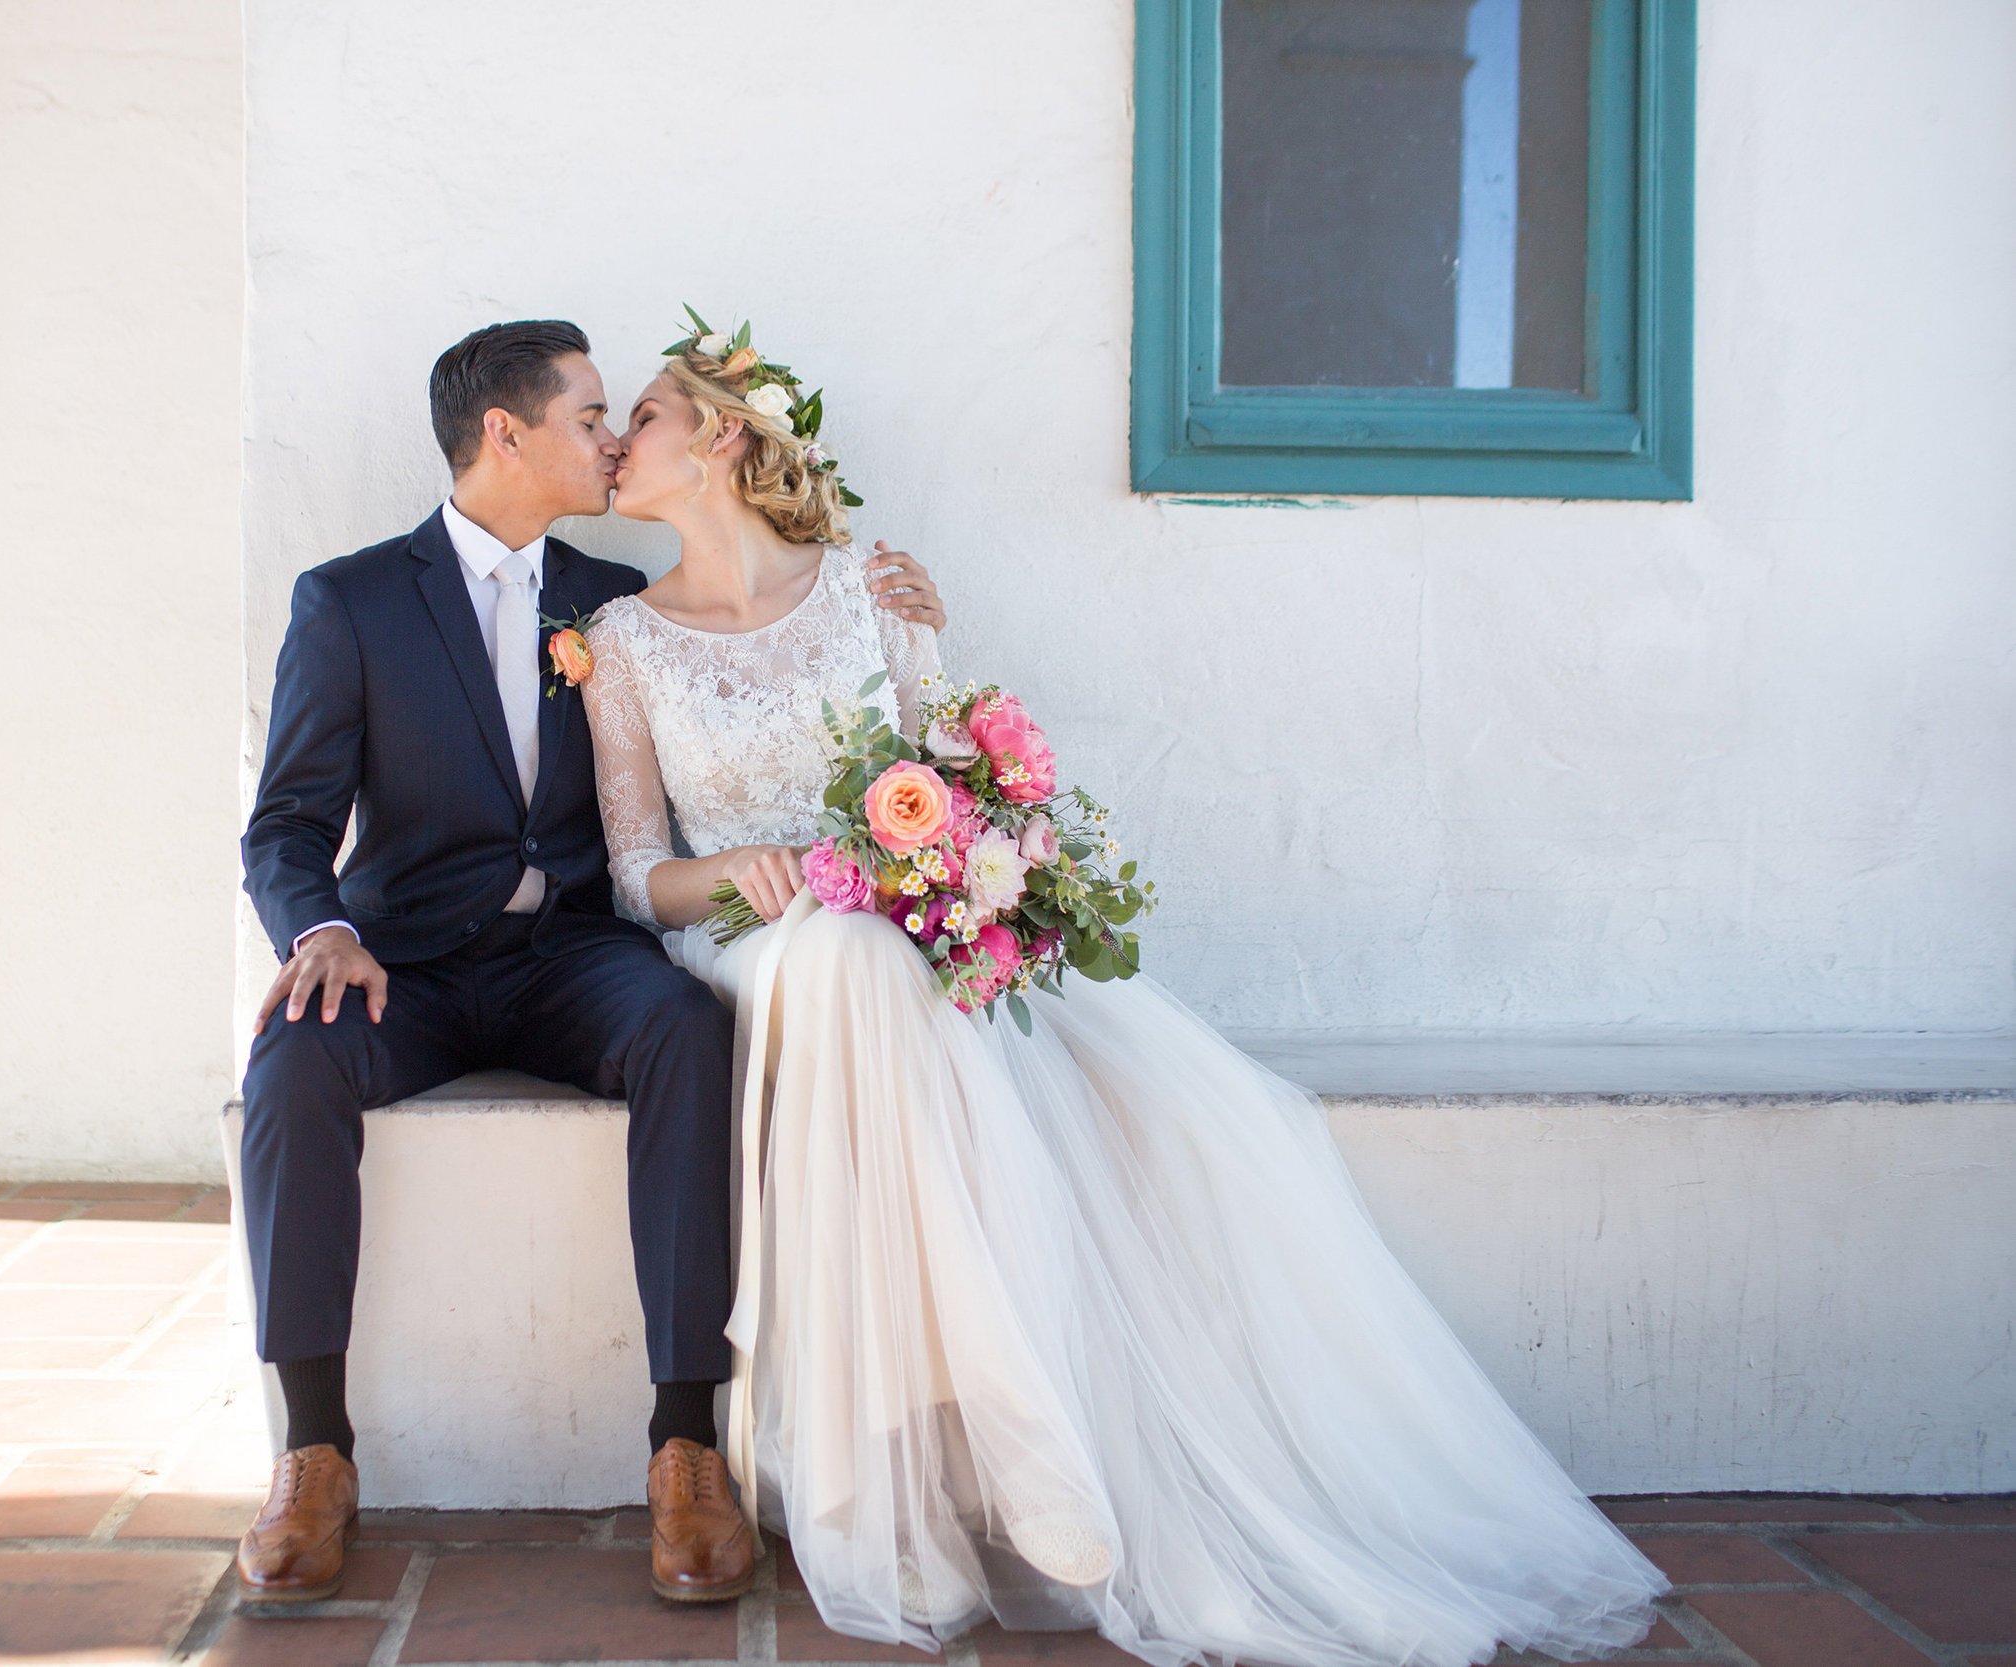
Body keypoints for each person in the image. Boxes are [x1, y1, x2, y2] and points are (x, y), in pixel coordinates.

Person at [576, 322, 1671, 1664]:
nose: (619, 440)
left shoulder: (874, 589)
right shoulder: (622, 636)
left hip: (886, 929)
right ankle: (1008, 1429)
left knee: (913, 981)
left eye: (642, 413)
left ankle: (953, 1456)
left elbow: (934, 785)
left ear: (724, 434)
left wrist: (939, 862)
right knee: (850, 960)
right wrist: (741, 869)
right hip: (750, 938)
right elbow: (636, 875)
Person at [232, 319, 950, 1606]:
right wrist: (320, 929)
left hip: (570, 951)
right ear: (503, 433)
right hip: (403, 960)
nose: (611, 438)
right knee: (289, 1055)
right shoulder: (347, 601)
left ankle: (685, 1443)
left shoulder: (606, 602)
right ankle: (313, 1450)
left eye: (624, 415)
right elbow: (285, 822)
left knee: (683, 1024)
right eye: (585, 415)